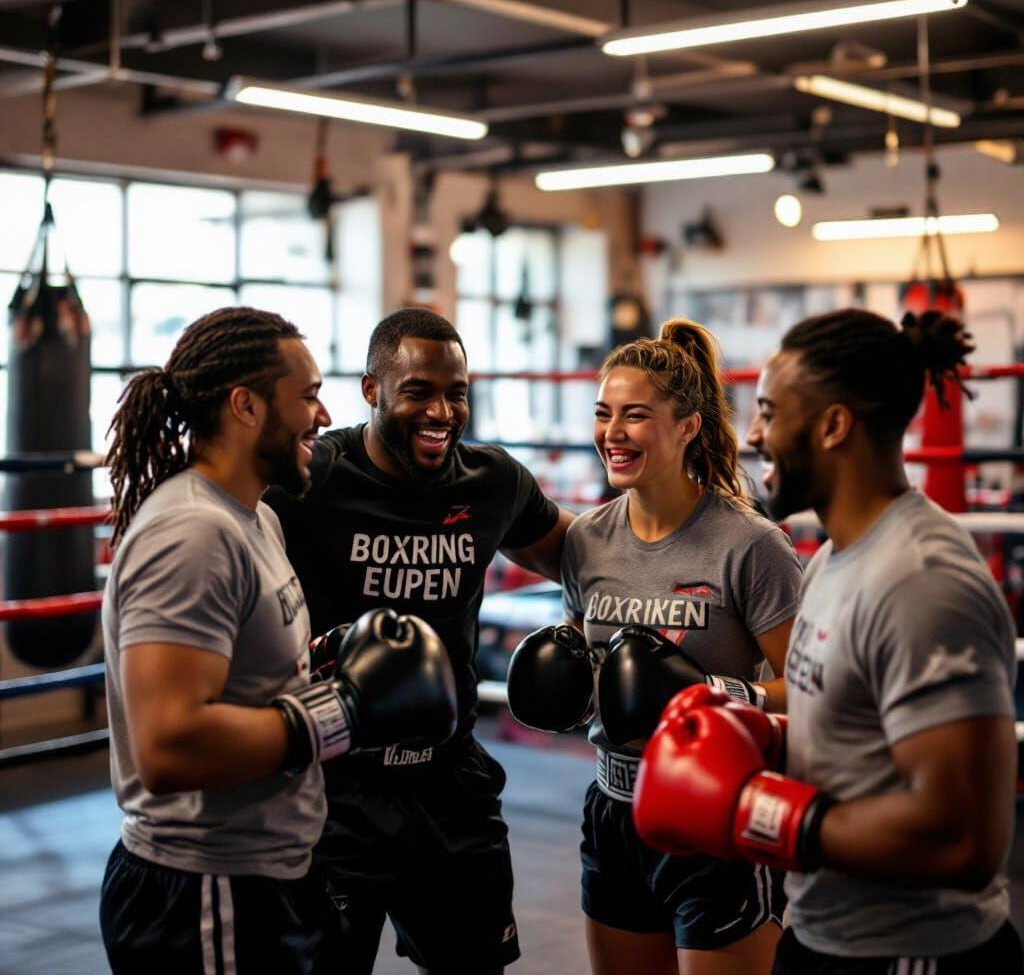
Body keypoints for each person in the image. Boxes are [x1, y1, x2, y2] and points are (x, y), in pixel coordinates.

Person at [633, 308, 1022, 974]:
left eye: (768, 412)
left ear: (834, 425)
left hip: (915, 953)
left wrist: (763, 815)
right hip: (820, 932)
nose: (752, 436)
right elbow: (857, 734)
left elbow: (965, 839)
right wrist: (759, 736)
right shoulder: (829, 562)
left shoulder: (922, 581)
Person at [99, 306, 457, 975]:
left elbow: (246, 678)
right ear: (245, 406)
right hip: (203, 889)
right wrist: (346, 713)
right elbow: (168, 746)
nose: (323, 418)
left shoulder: (256, 517)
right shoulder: (192, 536)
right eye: (309, 395)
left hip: (267, 872)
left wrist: (323, 667)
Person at [265, 307, 574, 975]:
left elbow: (585, 557)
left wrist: (700, 543)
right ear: (372, 389)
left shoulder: (491, 482)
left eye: (456, 393)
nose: (442, 411)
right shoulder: (309, 478)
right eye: (419, 392)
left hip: (451, 782)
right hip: (336, 789)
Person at [510, 319, 803, 975]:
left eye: (635, 416)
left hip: (716, 817)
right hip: (613, 812)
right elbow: (606, 687)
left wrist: (713, 697)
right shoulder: (587, 540)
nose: (612, 432)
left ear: (688, 426)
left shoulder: (749, 545)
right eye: (603, 413)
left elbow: (814, 689)